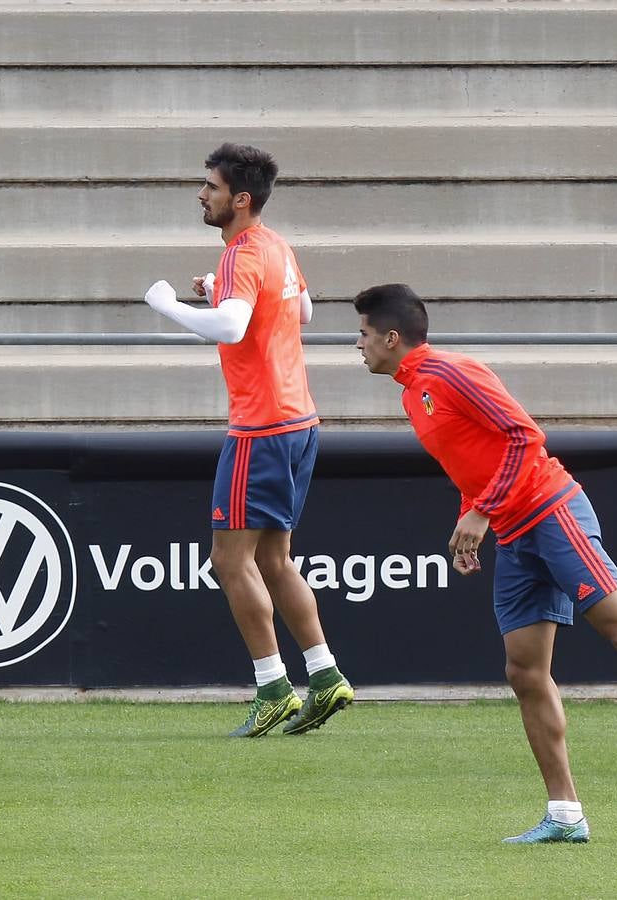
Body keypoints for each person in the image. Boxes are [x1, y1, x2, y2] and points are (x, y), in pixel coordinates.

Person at [352, 283, 617, 843]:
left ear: (391, 337)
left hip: (551, 511)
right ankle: (565, 814)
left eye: (362, 333)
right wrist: (471, 523)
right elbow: (473, 463)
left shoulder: (451, 372)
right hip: (515, 531)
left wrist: (482, 514)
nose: (358, 344)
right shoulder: (413, 393)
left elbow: (524, 438)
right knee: (524, 670)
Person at [142, 142, 352, 737]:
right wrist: (220, 289)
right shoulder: (277, 247)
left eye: (209, 186)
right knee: (274, 559)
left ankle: (273, 687)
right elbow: (302, 310)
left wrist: (169, 306)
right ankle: (326, 673)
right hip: (300, 423)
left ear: (239, 199)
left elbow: (234, 326)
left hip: (259, 429)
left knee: (228, 562)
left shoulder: (240, 252)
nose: (201, 194)